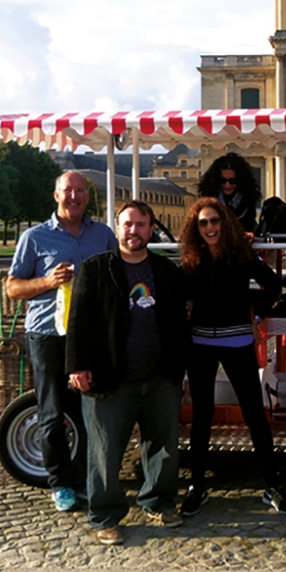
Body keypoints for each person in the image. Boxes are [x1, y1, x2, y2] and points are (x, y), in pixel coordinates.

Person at [65, 201, 187, 546]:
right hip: (110, 375)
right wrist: (76, 365)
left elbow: (179, 325)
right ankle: (105, 514)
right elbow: (79, 322)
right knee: (105, 450)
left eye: (141, 224)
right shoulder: (95, 268)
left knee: (163, 445)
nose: (134, 231)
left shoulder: (166, 271)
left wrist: (181, 371)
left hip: (160, 374)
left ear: (151, 230)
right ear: (117, 228)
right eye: (127, 224)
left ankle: (159, 501)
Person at [7, 171, 117, 512]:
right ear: (56, 195)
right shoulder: (35, 237)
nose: (74, 196)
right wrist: (47, 280)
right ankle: (60, 482)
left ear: (89, 197)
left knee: (91, 412)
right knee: (52, 412)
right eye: (68, 190)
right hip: (48, 335)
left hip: (91, 335)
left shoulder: (103, 235)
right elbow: (13, 287)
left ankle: (86, 478)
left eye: (80, 191)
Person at [179, 197, 286, 516]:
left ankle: (273, 485)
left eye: (214, 221)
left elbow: (273, 285)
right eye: (203, 223)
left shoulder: (240, 255)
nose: (209, 227)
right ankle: (197, 486)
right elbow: (180, 293)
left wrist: (255, 311)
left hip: (238, 342)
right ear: (196, 228)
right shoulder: (192, 259)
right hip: (200, 343)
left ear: (224, 222)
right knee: (201, 416)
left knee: (254, 415)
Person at [197, 152, 261, 233]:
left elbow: (248, 226)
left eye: (232, 181)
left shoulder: (248, 200)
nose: (227, 185)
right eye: (222, 181)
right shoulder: (208, 200)